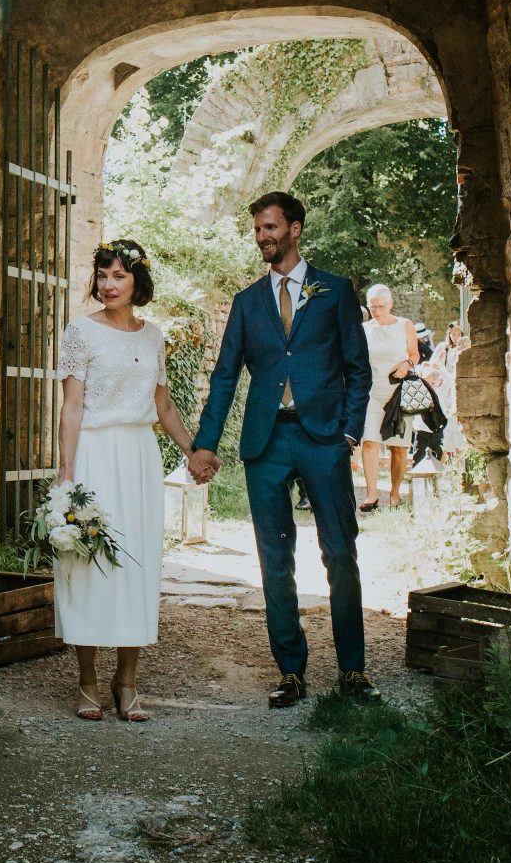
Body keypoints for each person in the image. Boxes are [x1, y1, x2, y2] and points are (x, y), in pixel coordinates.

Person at [187, 192, 379, 708]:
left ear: (295, 228)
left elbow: (358, 370)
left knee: (340, 554)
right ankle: (291, 672)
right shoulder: (249, 302)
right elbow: (226, 375)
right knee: (275, 559)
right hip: (266, 441)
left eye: (270, 228)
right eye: (257, 231)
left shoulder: (335, 291)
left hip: (323, 440)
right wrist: (205, 443)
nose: (262, 238)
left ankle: (353, 671)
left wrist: (348, 435)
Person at [54, 237, 200, 724]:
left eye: (118, 275)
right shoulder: (81, 332)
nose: (108, 284)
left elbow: (163, 406)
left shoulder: (153, 336)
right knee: (88, 562)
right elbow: (72, 406)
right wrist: (66, 474)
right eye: (102, 275)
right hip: (95, 454)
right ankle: (89, 681)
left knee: (136, 564)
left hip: (138, 458)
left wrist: (192, 451)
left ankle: (128, 681)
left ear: (138, 281)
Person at [360, 283, 421, 511]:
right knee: (369, 442)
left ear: (391, 304)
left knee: (399, 447)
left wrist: (407, 363)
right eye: (372, 307)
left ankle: (394, 494)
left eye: (381, 306)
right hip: (372, 391)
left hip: (398, 392)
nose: (376, 311)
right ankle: (371, 495)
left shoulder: (405, 325)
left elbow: (415, 354)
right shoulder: (365, 329)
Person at [429, 319, 467, 458]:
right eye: (453, 334)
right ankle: (444, 454)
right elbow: (432, 365)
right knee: (445, 420)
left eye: (458, 334)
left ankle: (457, 455)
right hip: (444, 388)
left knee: (455, 422)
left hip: (456, 386)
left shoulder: (463, 348)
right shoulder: (443, 347)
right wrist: (439, 360)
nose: (456, 337)